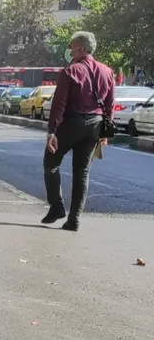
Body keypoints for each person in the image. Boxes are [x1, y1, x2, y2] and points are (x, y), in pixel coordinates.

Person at [43, 30, 115, 232]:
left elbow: (59, 104)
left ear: (81, 49)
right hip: (95, 126)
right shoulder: (107, 71)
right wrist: (105, 134)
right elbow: (110, 105)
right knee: (82, 173)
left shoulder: (70, 71)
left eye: (71, 46)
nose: (69, 50)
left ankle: (57, 206)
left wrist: (52, 131)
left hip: (71, 123)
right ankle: (74, 219)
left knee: (51, 163)